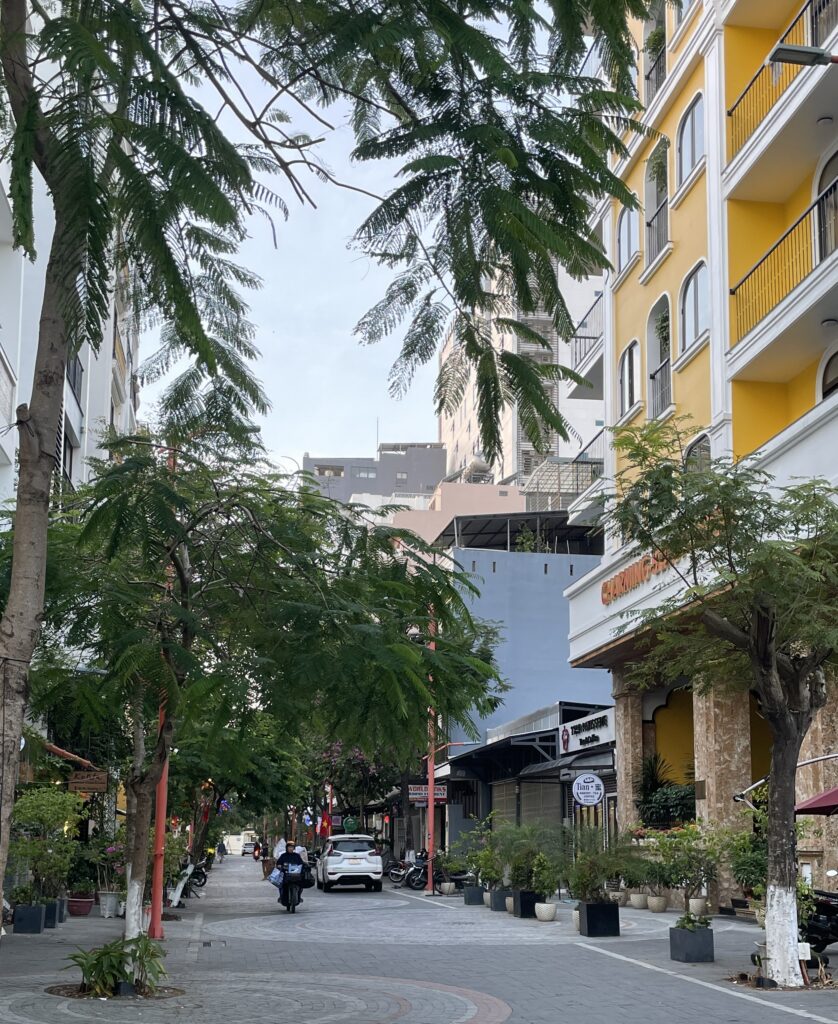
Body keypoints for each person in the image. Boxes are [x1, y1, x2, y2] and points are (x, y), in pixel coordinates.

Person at [276, 840, 304, 905]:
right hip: (286, 876)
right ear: (287, 848)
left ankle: (298, 896)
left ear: (294, 848)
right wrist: (280, 866)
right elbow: (278, 863)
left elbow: (301, 863)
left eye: (292, 847)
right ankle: (282, 897)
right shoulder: (283, 856)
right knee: (281, 885)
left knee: (301, 884)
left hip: (296, 876)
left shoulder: (297, 856)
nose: (290, 848)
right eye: (289, 847)